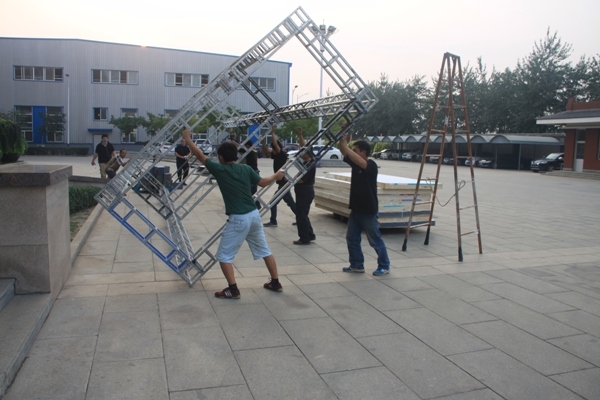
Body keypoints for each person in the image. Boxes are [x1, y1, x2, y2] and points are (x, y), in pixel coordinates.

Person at [182, 128, 285, 299]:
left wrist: (187, 138)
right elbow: (263, 183)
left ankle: (233, 289)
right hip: (254, 215)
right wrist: (276, 175)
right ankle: (275, 282)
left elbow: (199, 155)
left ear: (221, 157)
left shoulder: (219, 170)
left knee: (224, 256)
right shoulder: (245, 169)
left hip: (238, 218)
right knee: (264, 250)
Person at [338, 127, 391, 276]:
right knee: (352, 238)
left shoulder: (371, 165)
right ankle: (356, 264)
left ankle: (384, 265)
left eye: (356, 150)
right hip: (356, 210)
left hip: (368, 210)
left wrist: (346, 147)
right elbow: (343, 150)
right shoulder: (356, 163)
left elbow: (354, 158)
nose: (353, 152)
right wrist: (342, 138)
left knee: (375, 240)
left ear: (363, 152)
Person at [261, 125, 296, 227]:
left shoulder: (281, 155)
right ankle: (301, 218)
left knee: (273, 202)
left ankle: (273, 221)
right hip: (282, 183)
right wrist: (263, 141)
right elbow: (266, 150)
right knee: (290, 203)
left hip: (284, 184)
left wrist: (272, 132)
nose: (271, 150)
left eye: (273, 149)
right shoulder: (276, 155)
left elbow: (275, 144)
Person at [293, 127, 316, 245]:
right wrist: (300, 135)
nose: (300, 154)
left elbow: (301, 180)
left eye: (302, 153)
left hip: (305, 191)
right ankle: (310, 234)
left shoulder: (309, 164)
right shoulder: (308, 161)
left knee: (301, 215)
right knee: (303, 214)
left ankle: (304, 238)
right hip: (304, 191)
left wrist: (290, 180)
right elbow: (304, 146)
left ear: (307, 154)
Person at [240, 140, 261, 209]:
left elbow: (239, 149)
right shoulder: (254, 150)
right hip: (255, 171)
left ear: (248, 146)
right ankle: (255, 204)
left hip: (252, 172)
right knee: (251, 189)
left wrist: (234, 142)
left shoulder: (249, 151)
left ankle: (257, 205)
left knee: (252, 190)